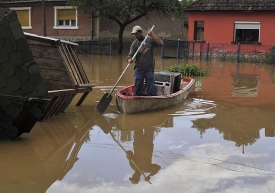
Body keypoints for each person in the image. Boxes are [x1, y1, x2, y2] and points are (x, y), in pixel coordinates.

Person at [127, 25, 163, 96]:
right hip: (139, 69)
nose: (135, 36)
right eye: (134, 34)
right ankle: (136, 99)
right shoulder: (134, 44)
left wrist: (152, 35)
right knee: (138, 88)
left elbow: (161, 43)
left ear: (140, 32)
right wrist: (129, 60)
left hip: (149, 69)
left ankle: (150, 100)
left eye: (136, 34)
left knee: (150, 87)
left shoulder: (149, 40)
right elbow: (130, 55)